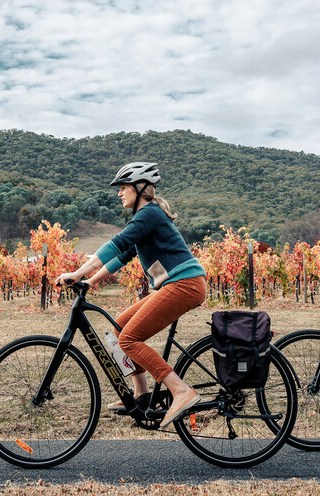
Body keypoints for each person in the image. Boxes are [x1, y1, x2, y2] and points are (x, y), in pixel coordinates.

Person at [57, 162, 208, 428]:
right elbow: (120, 257)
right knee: (119, 328)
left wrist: (77, 273)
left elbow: (115, 245)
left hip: (185, 285)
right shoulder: (146, 219)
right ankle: (141, 393)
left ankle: (181, 391)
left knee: (128, 340)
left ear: (140, 188)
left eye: (123, 187)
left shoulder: (149, 214)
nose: (119, 194)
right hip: (177, 285)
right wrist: (89, 281)